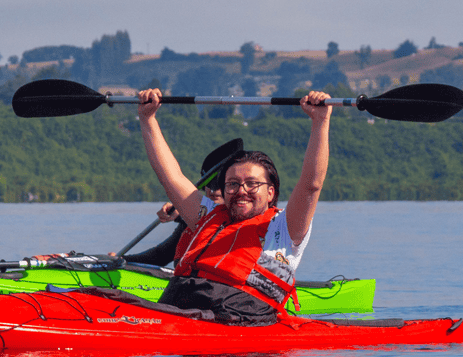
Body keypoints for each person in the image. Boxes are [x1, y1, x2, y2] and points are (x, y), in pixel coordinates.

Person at [137, 87, 332, 325]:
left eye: (252, 184)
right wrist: (148, 119)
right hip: (179, 311)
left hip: (238, 320)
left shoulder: (285, 228)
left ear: (271, 192)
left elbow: (311, 184)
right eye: (233, 184)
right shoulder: (207, 215)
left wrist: (320, 122)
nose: (241, 191)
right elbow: (171, 177)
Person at [121, 139, 242, 267]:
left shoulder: (240, 219)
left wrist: (181, 213)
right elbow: (161, 256)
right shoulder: (189, 219)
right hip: (187, 282)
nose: (214, 190)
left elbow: (212, 221)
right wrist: (122, 260)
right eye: (209, 184)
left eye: (221, 184)